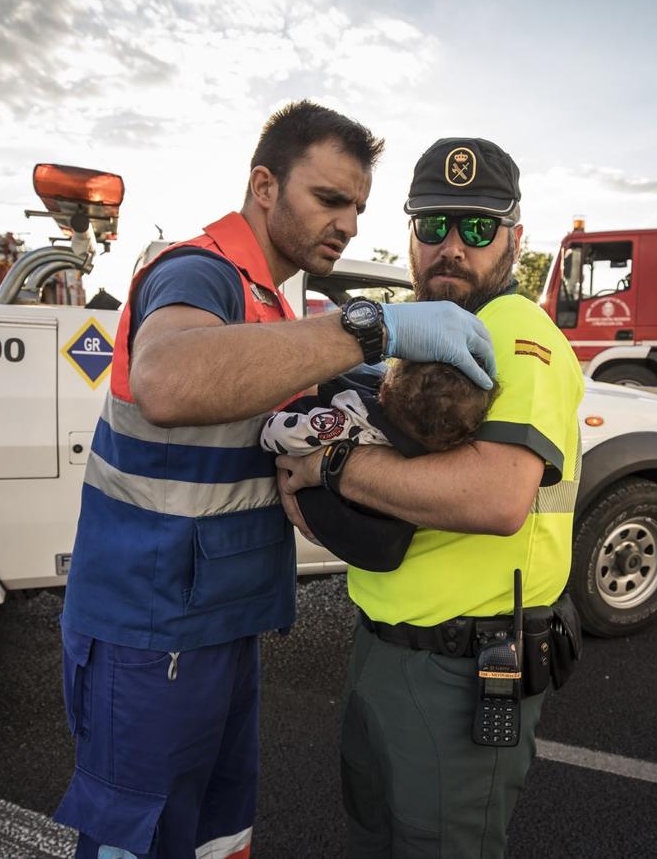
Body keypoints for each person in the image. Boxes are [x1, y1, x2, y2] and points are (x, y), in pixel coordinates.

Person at [53, 103, 498, 859]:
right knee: (145, 841)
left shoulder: (275, 298)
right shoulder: (199, 270)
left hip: (220, 626)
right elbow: (166, 379)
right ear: (265, 185)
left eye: (358, 207)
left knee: (219, 840)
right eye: (330, 199)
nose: (350, 224)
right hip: (149, 630)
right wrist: (373, 327)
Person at [276, 137, 587, 856]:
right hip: (383, 651)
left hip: (462, 673)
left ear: (516, 239)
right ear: (410, 234)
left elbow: (496, 496)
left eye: (477, 229)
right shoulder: (418, 330)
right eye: (434, 225)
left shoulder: (516, 332)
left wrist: (332, 467)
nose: (452, 247)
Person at [260, 360, 494, 571]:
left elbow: (276, 435)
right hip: (384, 541)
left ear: (382, 392)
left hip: (331, 524)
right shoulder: (443, 453)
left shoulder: (353, 420)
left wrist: (276, 419)